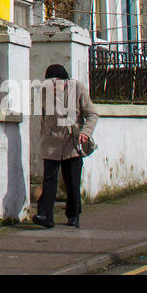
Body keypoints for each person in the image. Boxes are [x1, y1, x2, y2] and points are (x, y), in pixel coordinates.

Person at [33, 64, 99, 229]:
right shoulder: (44, 92)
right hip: (51, 142)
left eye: (57, 82)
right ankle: (46, 215)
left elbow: (92, 113)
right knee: (49, 180)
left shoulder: (78, 88)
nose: (54, 86)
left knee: (72, 181)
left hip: (72, 143)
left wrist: (86, 132)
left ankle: (74, 215)